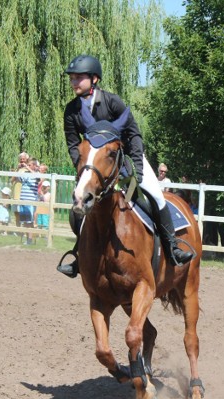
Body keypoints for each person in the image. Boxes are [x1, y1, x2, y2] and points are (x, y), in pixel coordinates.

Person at [57, 54, 193, 277]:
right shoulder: (71, 110)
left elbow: (134, 134)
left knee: (155, 197)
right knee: (77, 210)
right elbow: (73, 145)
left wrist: (137, 169)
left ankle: (173, 247)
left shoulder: (111, 102)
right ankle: (80, 256)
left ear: (94, 79)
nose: (73, 82)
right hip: (95, 169)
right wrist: (84, 170)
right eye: (72, 78)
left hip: (127, 162)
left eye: (78, 78)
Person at [12, 158, 39, 245]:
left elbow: (38, 178)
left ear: (34, 166)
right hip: (23, 200)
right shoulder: (25, 174)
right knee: (25, 221)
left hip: (31, 201)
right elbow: (16, 178)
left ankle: (30, 239)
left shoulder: (37, 174)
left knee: (30, 221)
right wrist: (18, 168)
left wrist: (28, 168)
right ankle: (27, 239)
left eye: (30, 164)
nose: (27, 166)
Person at [11, 152, 30, 228]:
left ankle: (24, 228)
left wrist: (26, 167)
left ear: (27, 160)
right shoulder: (17, 169)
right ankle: (17, 228)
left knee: (22, 211)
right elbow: (11, 180)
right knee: (16, 212)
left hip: (23, 192)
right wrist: (17, 169)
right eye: (21, 159)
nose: (22, 161)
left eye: (24, 159)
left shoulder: (28, 169)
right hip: (16, 191)